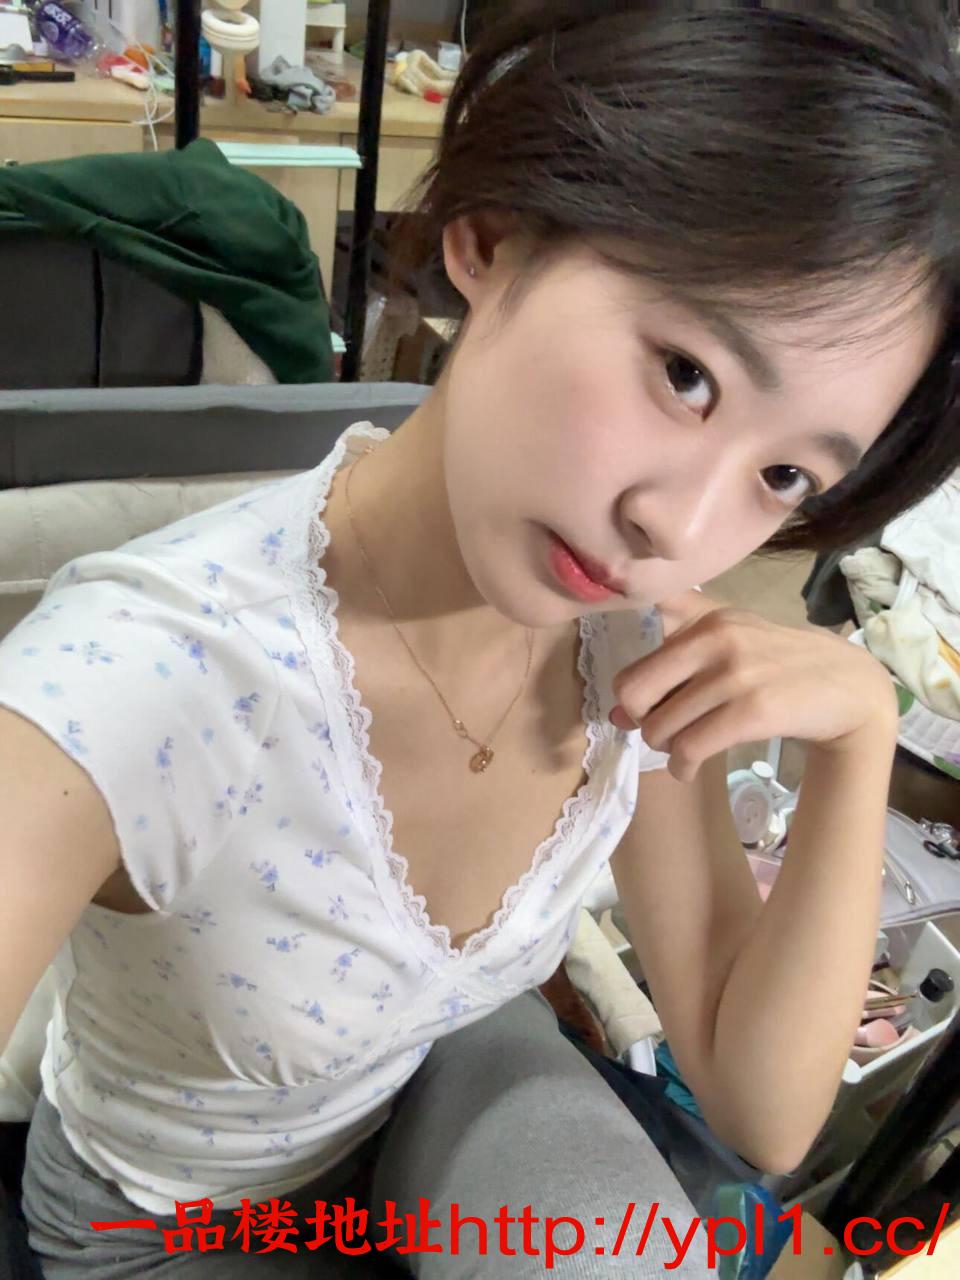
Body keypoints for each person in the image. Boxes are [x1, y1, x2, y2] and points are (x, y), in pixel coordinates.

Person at [2, 3, 959, 1276]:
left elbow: (761, 1104)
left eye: (782, 474)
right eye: (685, 373)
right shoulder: (141, 678)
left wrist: (862, 728)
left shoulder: (624, 641)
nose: (676, 528)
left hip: (424, 1111)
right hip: (159, 1221)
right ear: (493, 234)